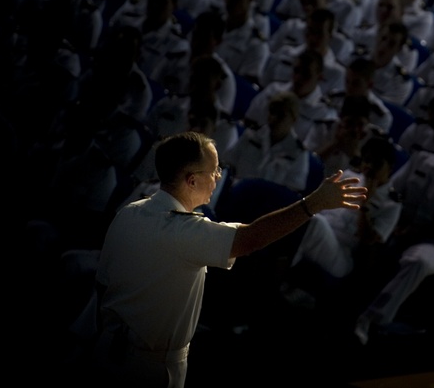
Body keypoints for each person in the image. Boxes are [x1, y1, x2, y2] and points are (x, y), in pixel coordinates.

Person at [95, 131, 366, 387]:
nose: (218, 177)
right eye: (213, 171)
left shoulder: (129, 212)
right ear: (192, 180)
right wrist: (313, 204)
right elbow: (250, 239)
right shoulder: (182, 230)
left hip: (107, 347)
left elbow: (102, 282)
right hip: (147, 366)